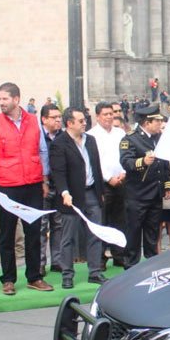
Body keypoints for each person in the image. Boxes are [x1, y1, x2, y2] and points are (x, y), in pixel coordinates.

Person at [0, 82, 54, 295]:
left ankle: (34, 277)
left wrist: (44, 180)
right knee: (8, 233)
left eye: (5, 99)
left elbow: (42, 151)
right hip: (7, 186)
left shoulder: (34, 122)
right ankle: (8, 279)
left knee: (34, 233)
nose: (1, 103)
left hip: (32, 184)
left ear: (16, 100)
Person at [50, 107, 106, 288]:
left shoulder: (91, 140)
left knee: (95, 233)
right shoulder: (59, 143)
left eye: (85, 120)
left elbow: (96, 167)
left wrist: (101, 193)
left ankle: (95, 272)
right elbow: (58, 173)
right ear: (70, 123)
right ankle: (67, 275)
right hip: (72, 197)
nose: (85, 124)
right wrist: (65, 193)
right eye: (81, 121)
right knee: (68, 237)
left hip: (92, 193)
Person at [120, 106, 170, 265]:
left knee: (153, 232)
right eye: (158, 121)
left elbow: (164, 163)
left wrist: (167, 185)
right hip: (137, 195)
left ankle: (152, 264)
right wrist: (142, 162)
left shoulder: (158, 138)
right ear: (147, 122)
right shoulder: (130, 139)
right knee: (134, 232)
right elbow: (125, 162)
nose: (160, 123)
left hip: (155, 194)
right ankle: (131, 265)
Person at [87, 101, 128, 269]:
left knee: (120, 219)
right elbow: (94, 161)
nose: (109, 117)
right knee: (102, 220)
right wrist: (108, 178)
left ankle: (119, 254)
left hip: (122, 180)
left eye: (111, 114)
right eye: (105, 114)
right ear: (97, 117)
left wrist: (124, 173)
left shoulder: (120, 133)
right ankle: (101, 258)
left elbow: (126, 154)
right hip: (103, 184)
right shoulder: (92, 135)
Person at [39, 103, 64, 274]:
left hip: (60, 185)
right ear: (44, 119)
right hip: (41, 185)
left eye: (59, 117)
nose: (58, 120)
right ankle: (40, 263)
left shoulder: (63, 136)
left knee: (59, 224)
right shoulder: (36, 136)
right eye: (54, 117)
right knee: (41, 225)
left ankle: (58, 260)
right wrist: (43, 180)